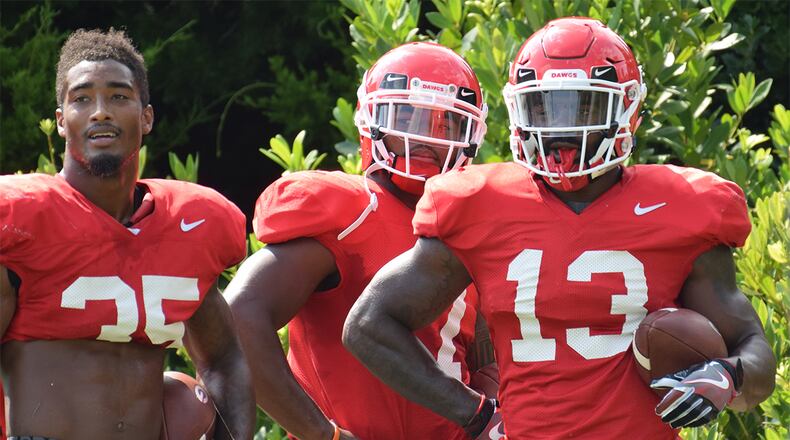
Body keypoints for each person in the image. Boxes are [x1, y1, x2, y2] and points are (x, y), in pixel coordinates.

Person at [343, 17, 777, 439]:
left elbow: (754, 351)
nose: (564, 128)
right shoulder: (479, 204)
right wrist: (473, 414)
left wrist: (728, 376)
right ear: (519, 109)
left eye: (584, 106)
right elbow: (368, 325)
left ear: (627, 108)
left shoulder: (682, 207)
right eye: (545, 106)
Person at [225, 42, 499, 440]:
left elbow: (482, 358)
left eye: (445, 124)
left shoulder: (469, 224)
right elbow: (238, 317)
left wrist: (492, 411)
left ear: (471, 135)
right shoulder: (353, 210)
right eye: (406, 117)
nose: (422, 139)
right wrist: (321, 434)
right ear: (369, 119)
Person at [0, 28, 255, 439]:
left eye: (119, 96)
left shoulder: (184, 229)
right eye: (82, 99)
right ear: (62, 122)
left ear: (146, 116)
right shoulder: (23, 221)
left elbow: (225, 358)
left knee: (184, 398)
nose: (100, 111)